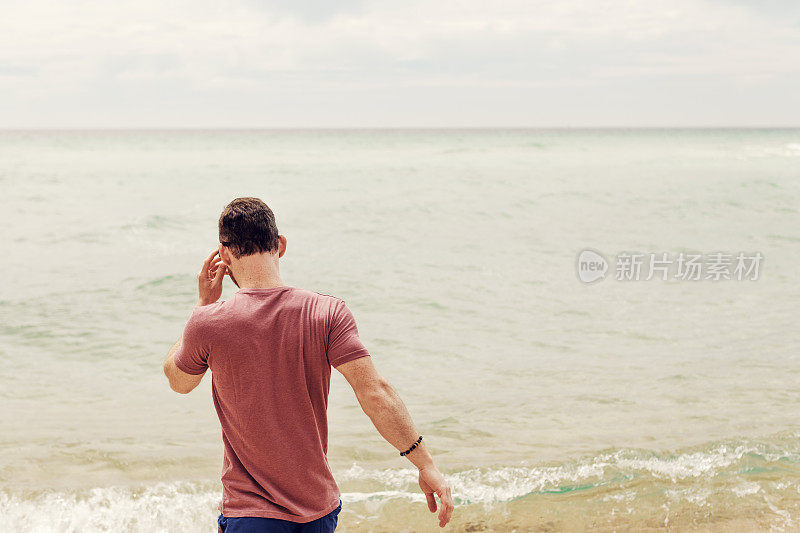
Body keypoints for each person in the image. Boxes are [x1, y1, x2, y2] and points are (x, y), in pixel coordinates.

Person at [162, 197, 454, 532]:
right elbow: (376, 394)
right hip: (317, 512)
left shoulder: (209, 322)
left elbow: (179, 381)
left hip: (251, 515)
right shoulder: (327, 312)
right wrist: (425, 464)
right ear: (280, 245)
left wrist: (202, 305)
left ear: (224, 254)